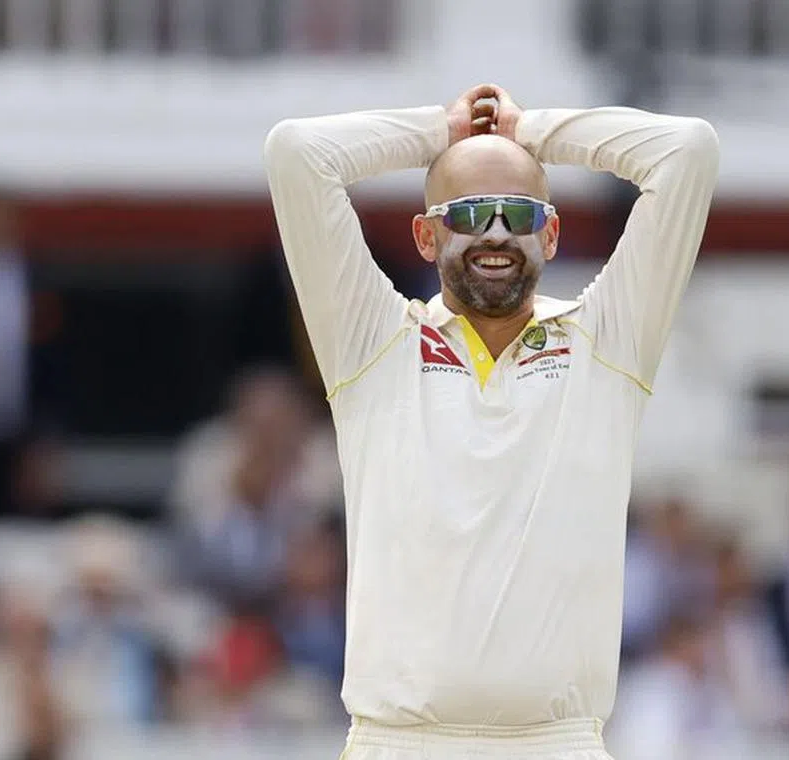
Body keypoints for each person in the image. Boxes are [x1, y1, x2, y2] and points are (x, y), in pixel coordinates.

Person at [264, 83, 719, 759]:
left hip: (557, 743)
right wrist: (442, 129)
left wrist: (528, 129)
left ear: (552, 231)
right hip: (399, 742)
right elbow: (298, 154)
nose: (497, 233)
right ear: (426, 233)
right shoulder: (371, 342)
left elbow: (686, 152)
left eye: (519, 212)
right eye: (471, 212)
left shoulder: (608, 341)